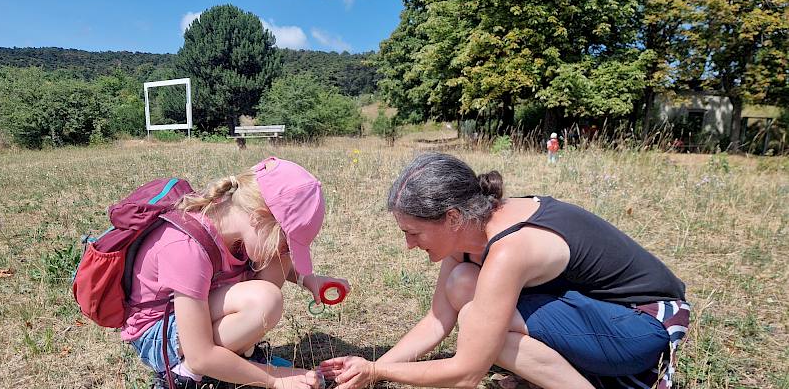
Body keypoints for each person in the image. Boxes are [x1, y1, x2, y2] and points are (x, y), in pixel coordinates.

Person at [320, 152, 688, 389]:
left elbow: (466, 373)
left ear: (451, 218)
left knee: (481, 327)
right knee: (463, 284)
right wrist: (367, 369)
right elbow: (436, 321)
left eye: (413, 233)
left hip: (641, 328)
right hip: (598, 314)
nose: (409, 245)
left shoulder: (510, 249)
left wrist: (381, 373)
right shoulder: (470, 229)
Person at [124, 156, 349, 389]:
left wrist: (308, 279)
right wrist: (276, 378)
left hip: (196, 314)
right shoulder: (186, 247)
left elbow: (278, 257)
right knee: (264, 299)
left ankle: (233, 361)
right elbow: (200, 354)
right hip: (159, 335)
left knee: (274, 260)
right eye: (287, 243)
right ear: (258, 217)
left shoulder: (240, 230)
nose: (287, 252)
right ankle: (184, 375)